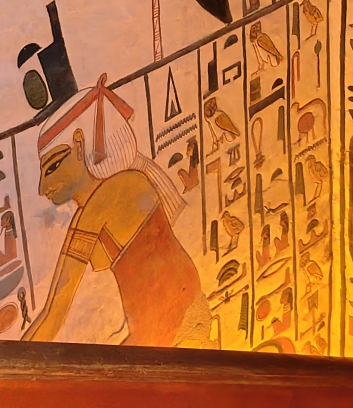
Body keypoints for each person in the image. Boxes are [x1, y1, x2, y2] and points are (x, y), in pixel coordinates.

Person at [22, 75, 212, 347]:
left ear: (79, 145)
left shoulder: (101, 204)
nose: (42, 188)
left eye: (52, 167)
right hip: (185, 312)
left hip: (169, 332)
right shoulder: (130, 181)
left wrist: (3, 369)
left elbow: (53, 315)